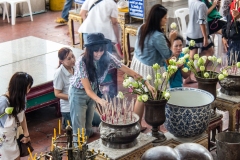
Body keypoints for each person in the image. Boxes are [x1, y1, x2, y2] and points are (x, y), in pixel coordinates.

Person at [69, 33, 155, 141]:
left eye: (101, 50)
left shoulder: (107, 57)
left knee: (87, 128)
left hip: (94, 92)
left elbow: (128, 70)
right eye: (96, 51)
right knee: (79, 130)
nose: (99, 54)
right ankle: (78, 153)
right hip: (78, 93)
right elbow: (88, 89)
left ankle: (84, 148)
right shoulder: (82, 62)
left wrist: (146, 83)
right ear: (89, 50)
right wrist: (101, 101)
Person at [130, 4, 177, 131]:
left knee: (141, 96)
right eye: (165, 18)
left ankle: (136, 125)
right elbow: (167, 54)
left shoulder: (142, 27)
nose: (167, 20)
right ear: (158, 19)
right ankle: (155, 125)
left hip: (138, 63)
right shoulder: (157, 36)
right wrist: (172, 40)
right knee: (154, 97)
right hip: (150, 69)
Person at [53, 47, 101, 130]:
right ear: (61, 61)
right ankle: (67, 122)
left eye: (73, 57)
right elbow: (57, 93)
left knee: (99, 121)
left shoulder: (77, 67)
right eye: (69, 59)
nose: (72, 60)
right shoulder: (59, 73)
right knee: (81, 133)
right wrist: (74, 97)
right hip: (69, 107)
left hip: (83, 104)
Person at [0, 72, 33, 160]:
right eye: (28, 87)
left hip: (14, 138)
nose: (29, 90)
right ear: (21, 88)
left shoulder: (21, 97)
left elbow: (22, 116)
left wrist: (26, 133)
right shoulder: (3, 102)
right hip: (3, 143)